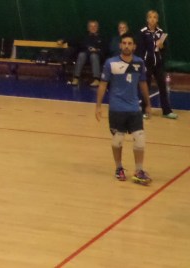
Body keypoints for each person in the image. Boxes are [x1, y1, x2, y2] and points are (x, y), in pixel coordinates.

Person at [95, 33, 153, 185]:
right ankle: (119, 168)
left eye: (130, 43)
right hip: (117, 109)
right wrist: (98, 106)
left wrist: (148, 104)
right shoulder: (111, 63)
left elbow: (143, 83)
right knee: (117, 141)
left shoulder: (139, 63)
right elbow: (103, 85)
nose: (127, 46)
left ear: (134, 46)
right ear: (120, 45)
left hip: (134, 108)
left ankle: (139, 171)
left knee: (140, 140)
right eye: (124, 43)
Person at [138, 10, 178, 119]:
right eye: (150, 17)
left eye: (155, 17)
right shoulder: (143, 32)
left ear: (157, 20)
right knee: (146, 87)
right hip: (147, 63)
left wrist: (162, 46)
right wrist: (143, 63)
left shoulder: (161, 32)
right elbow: (140, 49)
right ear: (147, 19)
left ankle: (166, 111)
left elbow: (164, 50)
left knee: (162, 86)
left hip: (158, 64)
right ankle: (143, 110)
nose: (152, 19)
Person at [69, 19, 105, 87]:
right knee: (81, 54)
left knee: (93, 56)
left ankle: (96, 79)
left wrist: (96, 50)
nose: (93, 28)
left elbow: (104, 49)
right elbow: (79, 45)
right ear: (88, 28)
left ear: (97, 28)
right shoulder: (84, 37)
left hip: (97, 56)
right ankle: (76, 78)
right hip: (85, 55)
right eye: (91, 26)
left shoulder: (102, 37)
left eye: (95, 26)